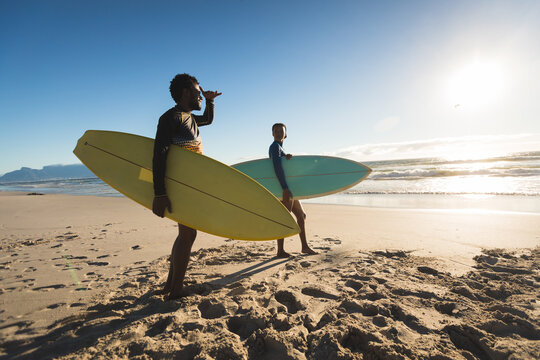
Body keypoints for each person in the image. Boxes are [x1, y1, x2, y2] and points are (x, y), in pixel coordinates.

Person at [152, 73, 222, 300]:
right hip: (180, 186)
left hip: (190, 185)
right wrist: (160, 193)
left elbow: (208, 120)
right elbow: (159, 155)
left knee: (187, 234)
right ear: (185, 93)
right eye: (197, 91)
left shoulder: (189, 118)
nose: (200, 95)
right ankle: (175, 290)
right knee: (187, 234)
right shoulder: (171, 118)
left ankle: (171, 284)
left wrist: (210, 101)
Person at [269, 123, 317, 258]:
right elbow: (277, 167)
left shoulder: (279, 148)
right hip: (284, 188)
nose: (278, 133)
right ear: (272, 134)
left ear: (286, 134)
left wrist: (286, 156)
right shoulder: (274, 147)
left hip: (290, 188)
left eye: (281, 131)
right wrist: (284, 188)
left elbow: (283, 164)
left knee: (301, 216)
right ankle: (280, 251)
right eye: (276, 131)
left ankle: (305, 247)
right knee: (285, 218)